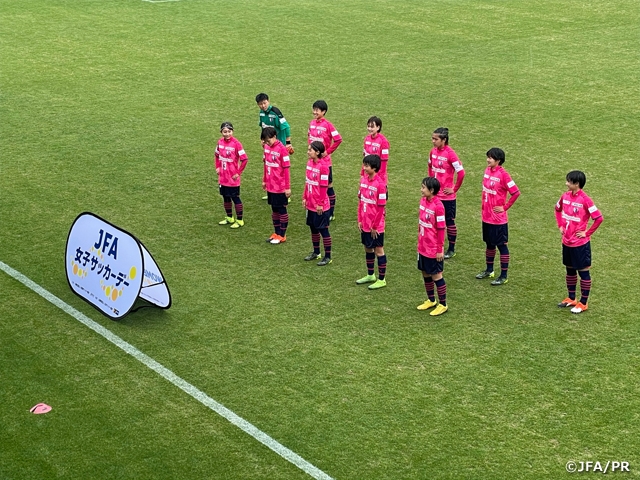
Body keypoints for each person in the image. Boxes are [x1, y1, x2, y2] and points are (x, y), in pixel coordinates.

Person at [555, 170, 603, 314]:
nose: (566, 184)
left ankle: (583, 303)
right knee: (569, 270)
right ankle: (571, 298)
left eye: (569, 181)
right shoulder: (565, 196)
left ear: (577, 184)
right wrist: (560, 225)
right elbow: (557, 209)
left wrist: (586, 233)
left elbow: (598, 218)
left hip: (580, 245)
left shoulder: (585, 200)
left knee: (583, 272)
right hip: (567, 242)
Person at [475, 148, 520, 285]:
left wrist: (504, 208)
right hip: (486, 217)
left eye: (491, 158)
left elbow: (516, 192)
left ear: (498, 160)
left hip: (498, 220)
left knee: (501, 246)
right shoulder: (487, 170)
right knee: (489, 244)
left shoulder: (504, 175)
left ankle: (503, 276)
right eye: (488, 157)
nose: (488, 160)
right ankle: (489, 270)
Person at [427, 127, 465, 259]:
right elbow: (430, 166)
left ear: (444, 140)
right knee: (433, 221)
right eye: (432, 138)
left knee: (449, 222)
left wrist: (454, 189)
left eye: (435, 139)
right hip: (435, 195)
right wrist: (431, 183)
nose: (433, 141)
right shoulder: (432, 151)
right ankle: (435, 246)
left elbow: (461, 173)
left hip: (447, 197)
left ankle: (451, 249)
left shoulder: (450, 154)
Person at [416, 177, 448, 316]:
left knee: (436, 275)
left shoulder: (438, 206)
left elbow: (441, 229)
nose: (421, 190)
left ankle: (443, 304)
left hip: (433, 248)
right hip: (422, 246)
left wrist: (440, 249)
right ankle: (431, 300)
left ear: (432, 190)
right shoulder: (423, 201)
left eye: (424, 187)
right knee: (424, 272)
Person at [356, 155, 387, 290]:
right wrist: (359, 219)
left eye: (367, 166)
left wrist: (375, 225)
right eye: (364, 165)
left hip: (376, 225)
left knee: (379, 250)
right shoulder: (363, 180)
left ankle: (382, 279)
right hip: (365, 223)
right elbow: (361, 201)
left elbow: (381, 208)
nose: (364, 168)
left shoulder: (380, 185)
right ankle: (370, 275)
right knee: (367, 248)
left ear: (374, 168)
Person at [308, 100, 342, 220]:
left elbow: (338, 139)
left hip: (325, 163)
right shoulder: (312, 123)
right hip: (313, 161)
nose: (314, 112)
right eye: (314, 109)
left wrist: (328, 152)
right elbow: (309, 138)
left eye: (317, 110)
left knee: (328, 186)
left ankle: (330, 213)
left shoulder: (328, 125)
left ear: (324, 112)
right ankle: (313, 206)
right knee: (313, 183)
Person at [256, 93, 293, 200]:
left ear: (268, 101)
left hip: (279, 145)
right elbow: (263, 127)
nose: (263, 106)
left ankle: (285, 192)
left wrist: (288, 142)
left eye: (264, 103)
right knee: (270, 167)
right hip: (268, 145)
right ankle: (271, 190)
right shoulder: (261, 113)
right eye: (260, 104)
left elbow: (286, 127)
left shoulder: (275, 112)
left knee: (281, 169)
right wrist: (263, 140)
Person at [302, 141, 332, 266]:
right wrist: (304, 197)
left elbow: (324, 186)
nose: (308, 152)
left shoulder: (324, 167)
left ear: (318, 152)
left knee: (323, 230)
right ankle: (316, 252)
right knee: (313, 228)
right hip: (310, 204)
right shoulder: (309, 163)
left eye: (310, 150)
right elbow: (307, 182)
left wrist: (320, 203)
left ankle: (328, 256)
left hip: (320, 206)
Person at [214, 122, 248, 228]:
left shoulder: (237, 144)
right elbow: (216, 155)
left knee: (235, 198)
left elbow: (244, 159)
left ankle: (240, 220)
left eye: (229, 131)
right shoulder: (220, 142)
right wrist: (217, 167)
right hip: (223, 177)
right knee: (225, 197)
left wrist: (238, 173)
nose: (227, 134)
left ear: (232, 131)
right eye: (225, 132)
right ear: (221, 132)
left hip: (232, 178)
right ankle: (229, 217)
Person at [261, 127, 291, 244]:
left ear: (274, 136)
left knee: (281, 209)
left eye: (268, 140)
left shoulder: (282, 149)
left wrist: (287, 187)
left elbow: (286, 169)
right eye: (265, 141)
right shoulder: (266, 147)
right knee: (274, 209)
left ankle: (282, 235)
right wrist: (264, 180)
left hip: (280, 186)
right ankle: (276, 233)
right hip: (271, 185)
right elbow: (266, 165)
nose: (267, 143)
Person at [362, 116, 390, 187]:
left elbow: (384, 162)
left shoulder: (383, 141)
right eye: (368, 126)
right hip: (367, 175)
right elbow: (365, 158)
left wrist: (379, 178)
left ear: (378, 127)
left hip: (378, 177)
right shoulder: (367, 139)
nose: (369, 129)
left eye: (372, 127)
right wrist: (363, 173)